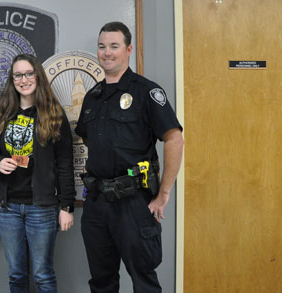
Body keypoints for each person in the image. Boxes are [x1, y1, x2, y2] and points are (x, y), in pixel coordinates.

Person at [75, 22, 184, 293]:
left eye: (114, 46)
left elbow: (174, 139)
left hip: (133, 203)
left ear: (128, 49)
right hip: (98, 202)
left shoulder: (146, 92)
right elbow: (91, 140)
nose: (107, 52)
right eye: (102, 46)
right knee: (101, 282)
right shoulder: (92, 97)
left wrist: (163, 193)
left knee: (143, 281)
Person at [0, 54, 76, 293]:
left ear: (38, 76)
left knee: (43, 275)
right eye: (18, 74)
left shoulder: (53, 114)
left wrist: (67, 206)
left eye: (29, 73)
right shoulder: (2, 112)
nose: (23, 79)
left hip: (42, 207)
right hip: (8, 207)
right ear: (12, 79)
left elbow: (65, 163)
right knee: (16, 274)